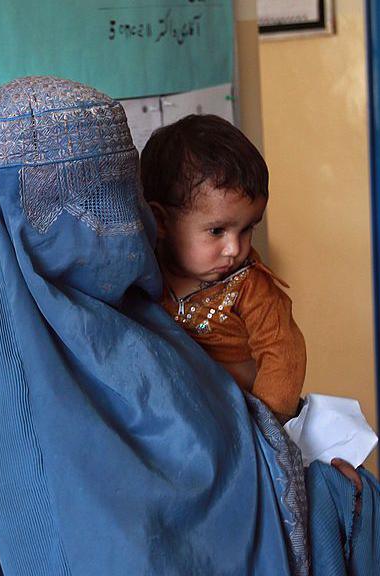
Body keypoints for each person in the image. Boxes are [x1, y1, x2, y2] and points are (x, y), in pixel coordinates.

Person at [0, 76, 380, 575]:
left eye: (123, 199)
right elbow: (184, 522)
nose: (122, 226)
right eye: (94, 205)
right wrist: (338, 496)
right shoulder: (85, 351)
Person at [141, 114, 305, 423]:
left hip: (244, 422)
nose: (235, 249)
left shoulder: (249, 286)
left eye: (247, 229)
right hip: (177, 421)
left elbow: (283, 355)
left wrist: (268, 430)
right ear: (161, 221)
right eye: (217, 231)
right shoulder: (144, 272)